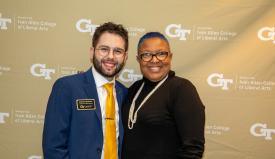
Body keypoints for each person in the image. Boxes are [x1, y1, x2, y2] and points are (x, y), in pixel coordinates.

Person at [42, 22, 128, 159]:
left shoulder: (126, 94)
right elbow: (54, 148)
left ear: (125, 57)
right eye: (104, 49)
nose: (111, 56)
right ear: (92, 52)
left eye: (118, 51)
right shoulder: (67, 88)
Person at [122, 32, 205, 159]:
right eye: (146, 55)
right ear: (138, 59)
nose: (154, 60)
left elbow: (192, 150)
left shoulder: (181, 89)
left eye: (161, 54)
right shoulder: (134, 89)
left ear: (170, 57)